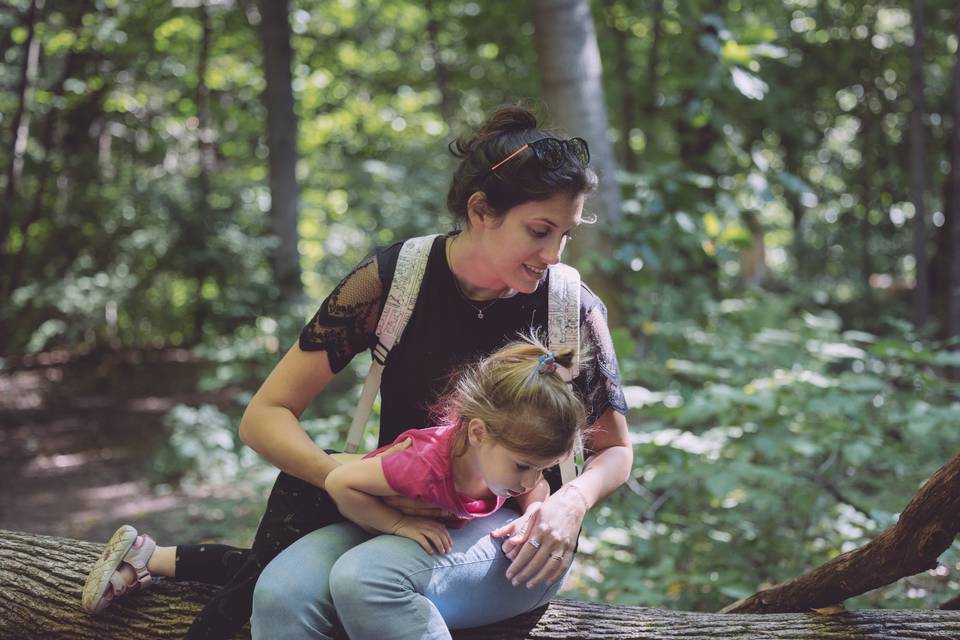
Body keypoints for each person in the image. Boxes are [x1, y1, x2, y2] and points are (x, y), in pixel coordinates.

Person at [84, 103, 632, 639]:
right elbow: (264, 416)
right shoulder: (397, 279)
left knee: (370, 581)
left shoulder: (569, 306)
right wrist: (346, 484)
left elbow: (615, 449)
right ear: (480, 211)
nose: (554, 254)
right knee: (277, 593)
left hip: (517, 531)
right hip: (395, 508)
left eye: (565, 234)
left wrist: (571, 502)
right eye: (540, 230)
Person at [82, 335, 586, 637]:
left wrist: (536, 507)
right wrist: (398, 522)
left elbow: (530, 489)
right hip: (322, 499)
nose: (530, 478)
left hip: (378, 508)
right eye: (525, 467)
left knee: (258, 571)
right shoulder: (421, 465)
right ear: (478, 432)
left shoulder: (509, 457)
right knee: (256, 584)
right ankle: (151, 566)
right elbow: (341, 481)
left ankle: (148, 557)